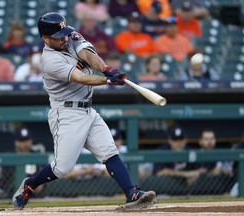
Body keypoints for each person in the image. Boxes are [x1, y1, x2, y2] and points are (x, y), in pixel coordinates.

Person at [12, 12, 156, 210]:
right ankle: (30, 184)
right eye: (57, 36)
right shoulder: (49, 61)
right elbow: (80, 77)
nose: (64, 38)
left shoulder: (69, 37)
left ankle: (132, 193)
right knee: (62, 169)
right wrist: (106, 80)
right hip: (66, 113)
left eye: (64, 33)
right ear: (45, 38)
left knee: (109, 152)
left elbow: (87, 54)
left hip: (88, 109)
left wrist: (105, 68)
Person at [0, 127, 44, 197]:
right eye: (22, 140)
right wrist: (0, 184)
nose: (25, 143)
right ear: (16, 142)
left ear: (31, 140)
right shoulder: (9, 157)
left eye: (27, 140)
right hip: (10, 195)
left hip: (32, 195)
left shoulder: (36, 156)